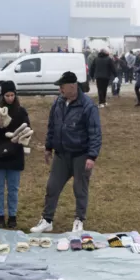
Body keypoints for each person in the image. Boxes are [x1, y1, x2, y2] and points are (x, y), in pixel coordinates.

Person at [30, 72, 102, 234]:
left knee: (80, 188)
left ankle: (79, 220)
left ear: (72, 86)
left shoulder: (88, 106)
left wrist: (92, 156)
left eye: (62, 86)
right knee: (52, 186)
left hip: (81, 155)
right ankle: (47, 220)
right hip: (61, 155)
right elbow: (52, 127)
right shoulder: (58, 103)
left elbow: (95, 132)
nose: (60, 89)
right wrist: (48, 147)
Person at [0, 81, 30, 229]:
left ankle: (12, 216)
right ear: (2, 96)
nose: (10, 98)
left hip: (15, 153)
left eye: (12, 95)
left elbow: (27, 129)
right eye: (7, 95)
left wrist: (20, 138)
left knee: (13, 187)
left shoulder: (21, 112)